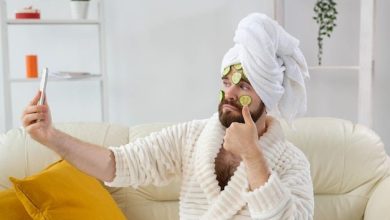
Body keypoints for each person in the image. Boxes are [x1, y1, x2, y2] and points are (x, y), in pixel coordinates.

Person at [22, 13, 314, 219]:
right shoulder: (191, 137)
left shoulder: (292, 162)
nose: (230, 94)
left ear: (269, 96)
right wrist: (51, 136)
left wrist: (253, 156)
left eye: (245, 86)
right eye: (227, 83)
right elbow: (119, 165)